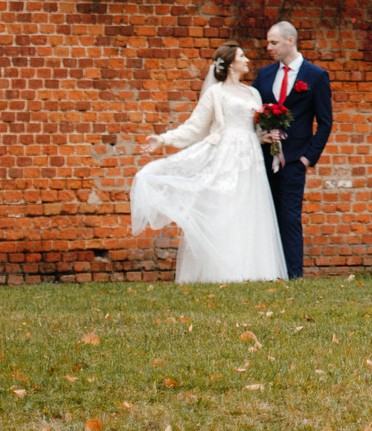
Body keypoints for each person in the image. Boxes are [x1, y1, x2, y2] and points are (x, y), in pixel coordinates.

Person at [129, 43, 288, 284]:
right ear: (231, 63)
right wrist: (162, 139)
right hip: (225, 157)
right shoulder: (216, 94)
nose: (247, 60)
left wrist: (265, 136)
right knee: (226, 211)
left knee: (251, 211)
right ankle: (222, 273)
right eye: (242, 56)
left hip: (251, 158)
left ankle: (254, 272)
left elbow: (253, 129)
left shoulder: (253, 94)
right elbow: (194, 128)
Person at [257, 21, 332, 279]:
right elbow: (254, 114)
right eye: (268, 42)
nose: (269, 48)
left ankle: (294, 275)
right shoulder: (265, 75)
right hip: (264, 160)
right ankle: (268, 271)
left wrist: (307, 158)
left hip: (294, 160)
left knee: (290, 217)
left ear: (290, 41)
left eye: (273, 42)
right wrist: (261, 135)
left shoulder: (315, 76)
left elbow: (325, 122)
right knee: (266, 215)